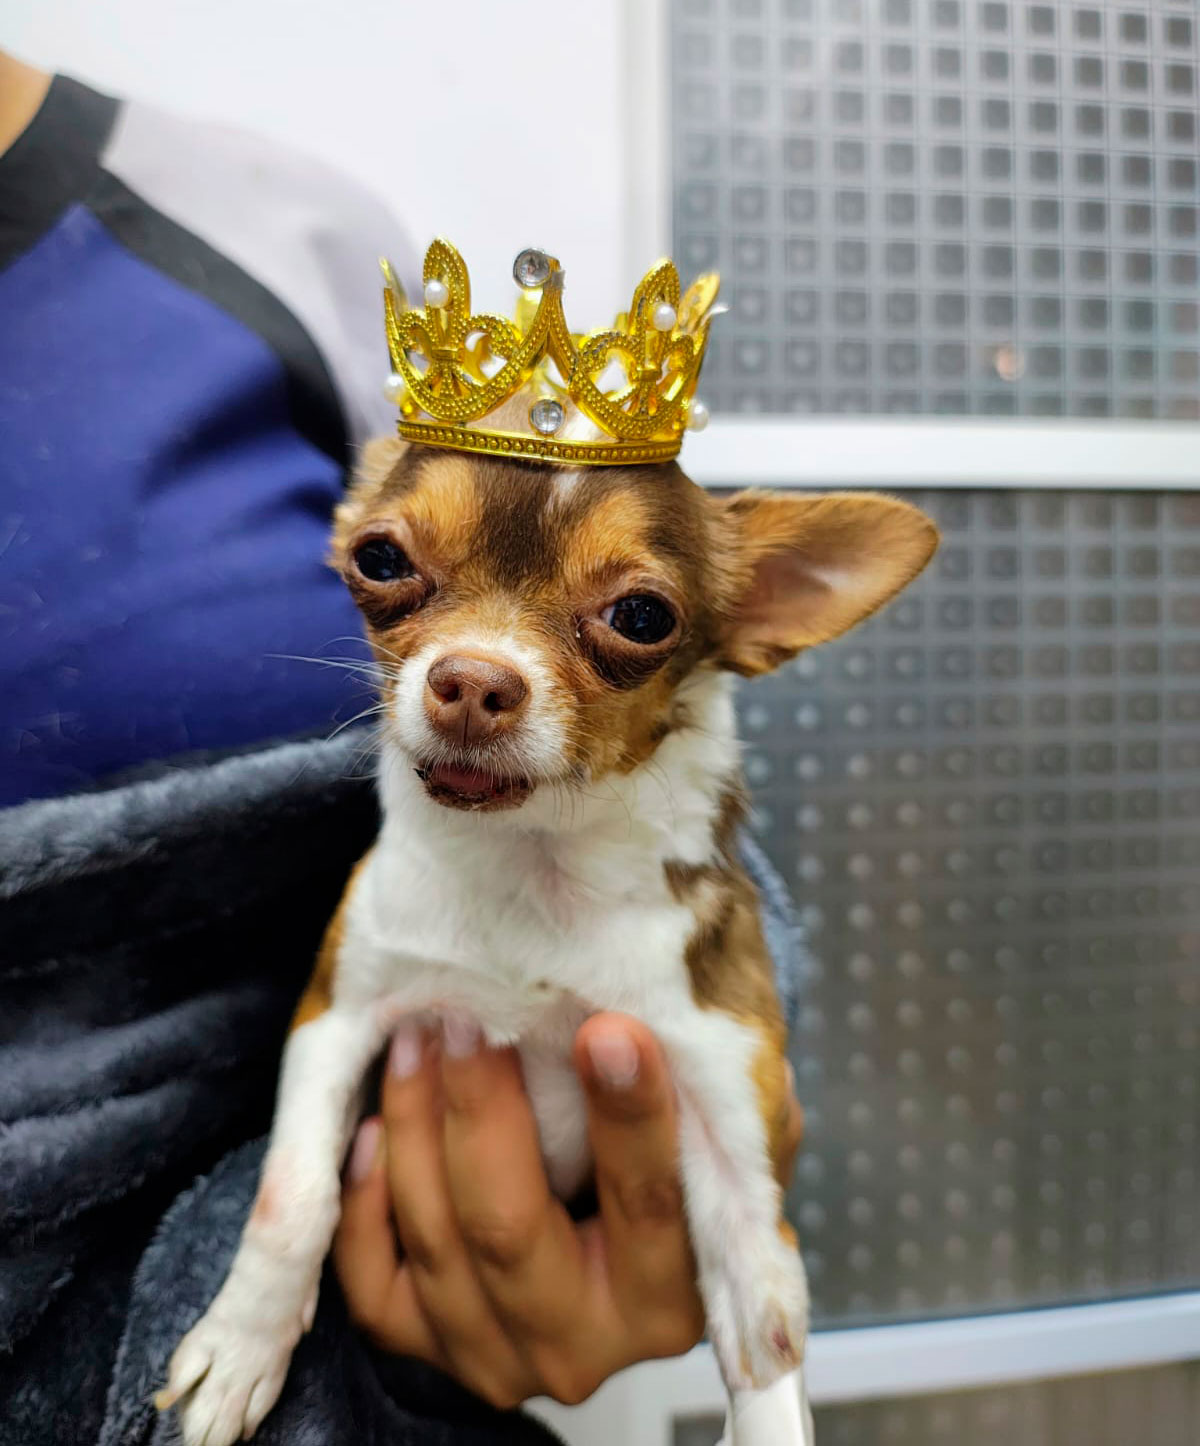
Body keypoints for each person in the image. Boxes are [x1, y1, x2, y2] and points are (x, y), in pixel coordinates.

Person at [0, 50, 804, 1444]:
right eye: (392, 570)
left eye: (628, 617)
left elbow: (707, 868)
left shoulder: (266, 235)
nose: (470, 675)